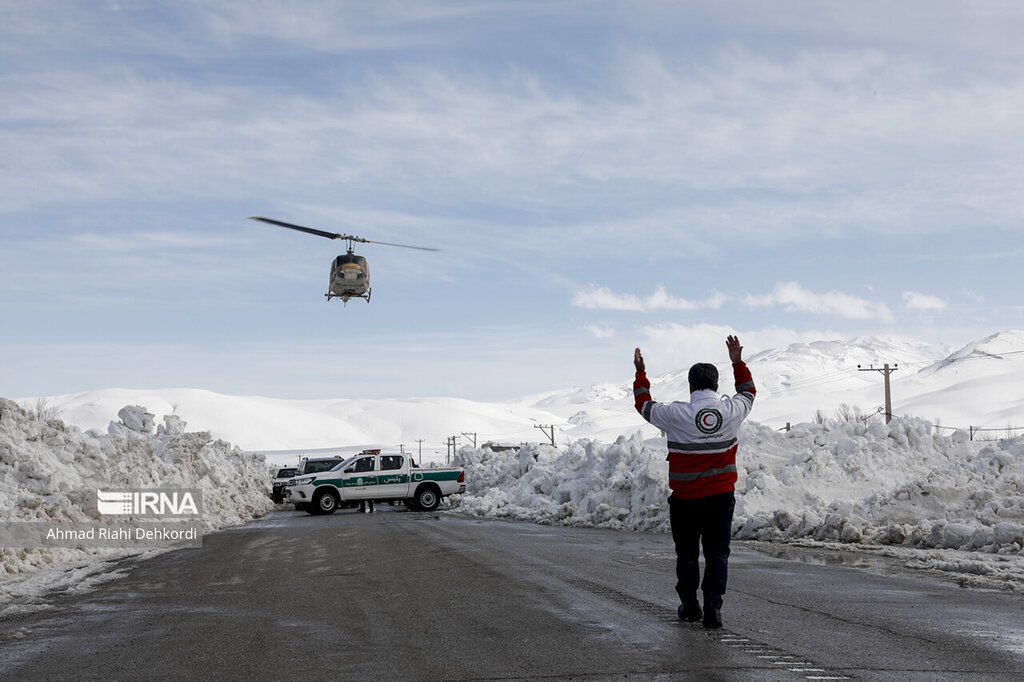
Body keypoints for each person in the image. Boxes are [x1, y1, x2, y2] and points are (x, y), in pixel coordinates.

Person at [633, 335, 755, 628]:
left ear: (690, 386)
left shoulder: (675, 414)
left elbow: (644, 405)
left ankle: (690, 607)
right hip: (720, 498)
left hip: (686, 500)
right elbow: (748, 392)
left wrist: (640, 372)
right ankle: (714, 609)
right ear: (716, 385)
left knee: (686, 554)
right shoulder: (730, 411)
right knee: (717, 553)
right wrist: (737, 362)